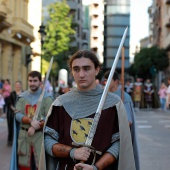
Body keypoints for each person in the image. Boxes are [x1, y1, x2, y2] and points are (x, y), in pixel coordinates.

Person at [39, 50, 135, 170]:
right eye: (76, 69)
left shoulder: (113, 104)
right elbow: (48, 140)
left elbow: (119, 143)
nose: (81, 74)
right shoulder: (61, 103)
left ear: (97, 70)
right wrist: (72, 152)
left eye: (86, 68)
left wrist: (95, 167)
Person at [10, 71, 53, 170]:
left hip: (40, 136)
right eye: (30, 81)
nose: (32, 83)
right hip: (24, 136)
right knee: (24, 166)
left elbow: (50, 117)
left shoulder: (47, 98)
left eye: (35, 81)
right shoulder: (22, 97)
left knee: (40, 166)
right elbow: (17, 115)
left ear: (40, 82)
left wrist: (36, 126)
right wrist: (30, 121)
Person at [104, 70, 140, 170]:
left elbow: (128, 121)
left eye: (109, 80)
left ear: (116, 81)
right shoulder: (104, 96)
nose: (106, 82)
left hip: (119, 139)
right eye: (105, 80)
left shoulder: (124, 97)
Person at [7, 81, 23, 146]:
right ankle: (10, 141)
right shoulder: (12, 93)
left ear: (21, 85)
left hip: (22, 113)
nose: (17, 86)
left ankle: (19, 141)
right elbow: (10, 103)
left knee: (20, 128)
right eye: (16, 85)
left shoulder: (24, 93)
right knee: (11, 127)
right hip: (12, 113)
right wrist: (15, 109)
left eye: (19, 85)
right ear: (15, 86)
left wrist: (21, 110)